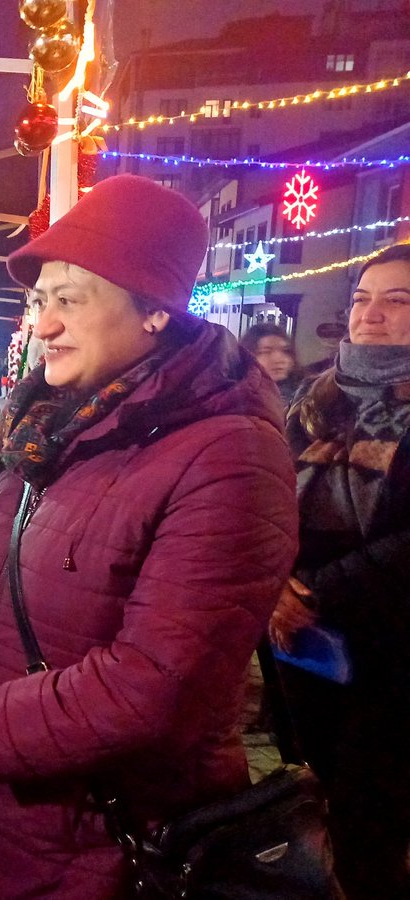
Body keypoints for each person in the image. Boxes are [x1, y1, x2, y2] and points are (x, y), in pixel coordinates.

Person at [0, 174, 298, 899]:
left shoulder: (229, 454)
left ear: (154, 314)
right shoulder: (39, 418)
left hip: (104, 847)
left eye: (69, 300)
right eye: (39, 299)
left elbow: (151, 687)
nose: (43, 323)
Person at [267, 241, 410, 898]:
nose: (370, 314)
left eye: (396, 301)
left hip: (391, 636)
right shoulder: (312, 396)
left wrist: (316, 591)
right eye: (361, 299)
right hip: (302, 635)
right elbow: (261, 495)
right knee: (317, 776)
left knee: (374, 801)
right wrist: (270, 584)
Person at [240, 321, 302, 408]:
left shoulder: (304, 399)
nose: (279, 359)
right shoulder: (238, 399)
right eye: (266, 352)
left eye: (285, 351)